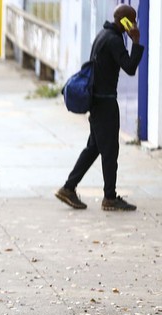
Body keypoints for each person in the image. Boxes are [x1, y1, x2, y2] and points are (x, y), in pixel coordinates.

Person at [55, 4, 144, 211]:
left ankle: (68, 188)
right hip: (105, 103)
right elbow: (130, 67)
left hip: (98, 101)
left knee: (94, 148)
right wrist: (136, 42)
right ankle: (109, 198)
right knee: (110, 151)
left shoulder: (104, 34)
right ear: (125, 21)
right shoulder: (113, 40)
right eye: (132, 20)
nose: (134, 24)